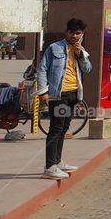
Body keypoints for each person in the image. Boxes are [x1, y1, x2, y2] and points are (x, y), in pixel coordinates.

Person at [35, 18, 92, 180]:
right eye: (72, 32)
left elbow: (87, 69)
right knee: (56, 128)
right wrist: (43, 92)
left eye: (78, 33)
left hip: (73, 94)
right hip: (57, 94)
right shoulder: (54, 48)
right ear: (66, 32)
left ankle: (57, 162)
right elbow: (42, 69)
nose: (74, 36)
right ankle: (49, 166)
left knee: (64, 127)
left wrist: (80, 54)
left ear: (82, 34)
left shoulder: (81, 50)